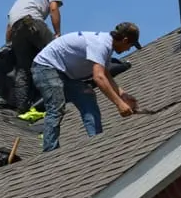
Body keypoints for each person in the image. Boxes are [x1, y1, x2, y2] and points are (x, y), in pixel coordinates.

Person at [31, 22, 143, 152]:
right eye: (129, 46)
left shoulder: (106, 46)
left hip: (64, 73)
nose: (128, 50)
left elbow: (106, 75)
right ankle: (50, 152)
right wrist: (119, 104)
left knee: (87, 96)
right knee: (56, 106)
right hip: (46, 67)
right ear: (125, 40)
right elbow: (99, 78)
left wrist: (123, 95)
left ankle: (97, 142)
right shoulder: (101, 44)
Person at [5, 0, 64, 113]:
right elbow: (53, 9)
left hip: (16, 28)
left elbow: (9, 26)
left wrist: (9, 45)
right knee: (55, 54)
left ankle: (22, 107)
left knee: (22, 69)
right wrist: (57, 33)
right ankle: (64, 91)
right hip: (32, 22)